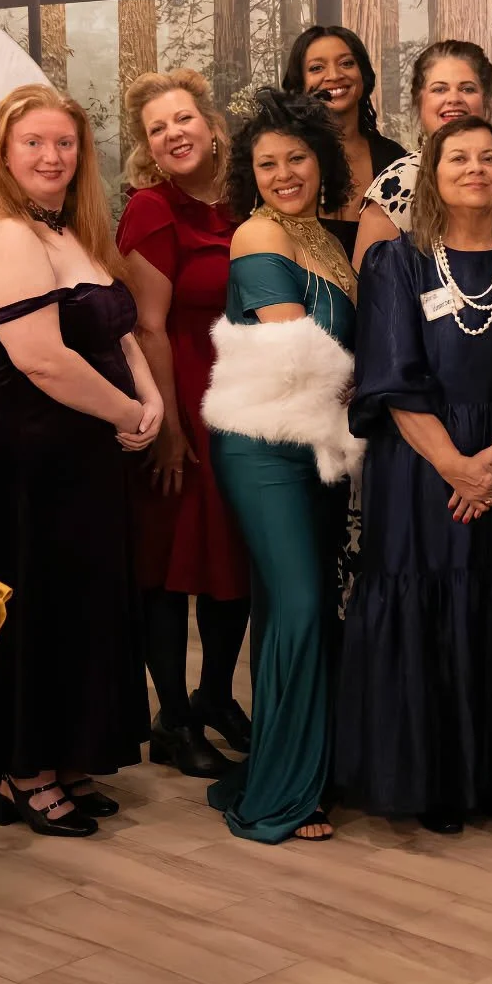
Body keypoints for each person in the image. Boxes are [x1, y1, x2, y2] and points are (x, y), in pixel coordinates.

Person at [337, 116, 492, 832]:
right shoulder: (395, 262)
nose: (475, 169)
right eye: (457, 157)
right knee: (425, 601)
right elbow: (390, 378)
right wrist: (456, 467)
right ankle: (429, 782)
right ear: (430, 175)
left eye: (488, 157)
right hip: (419, 467)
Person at [0, 84, 157, 838]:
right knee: (38, 609)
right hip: (29, 454)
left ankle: (67, 755)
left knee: (82, 607)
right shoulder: (5, 233)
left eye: (64, 143)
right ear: (3, 154)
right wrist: (129, 413)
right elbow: (41, 359)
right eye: (34, 143)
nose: (52, 156)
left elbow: (118, 329)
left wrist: (149, 397)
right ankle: (23, 771)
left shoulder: (71, 229)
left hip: (85, 449)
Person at [200, 88, 364, 844]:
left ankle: (290, 766)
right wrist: (377, 388)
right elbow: (300, 346)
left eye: (296, 157)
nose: (284, 174)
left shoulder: (323, 236)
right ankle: (280, 798)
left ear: (321, 160)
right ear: (251, 174)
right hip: (265, 443)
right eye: (267, 164)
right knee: (298, 605)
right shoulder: (259, 233)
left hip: (318, 441)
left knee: (297, 607)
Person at [116, 69, 254, 780]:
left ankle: (215, 696)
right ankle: (172, 718)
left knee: (233, 558)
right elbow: (147, 327)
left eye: (183, 119)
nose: (173, 134)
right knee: (169, 568)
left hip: (244, 399)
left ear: (211, 126)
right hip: (180, 394)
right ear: (147, 147)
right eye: (157, 129)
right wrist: (168, 426)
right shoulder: (151, 210)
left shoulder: (245, 202)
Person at [351, 40, 492, 269]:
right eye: (439, 89)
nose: (454, 98)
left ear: (486, 101)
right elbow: (368, 284)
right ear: (419, 102)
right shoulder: (393, 187)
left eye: (467, 89)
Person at [281, 25, 408, 257]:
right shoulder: (285, 159)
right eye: (317, 68)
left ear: (363, 75)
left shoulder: (394, 159)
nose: (334, 75)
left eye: (346, 63)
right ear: (300, 83)